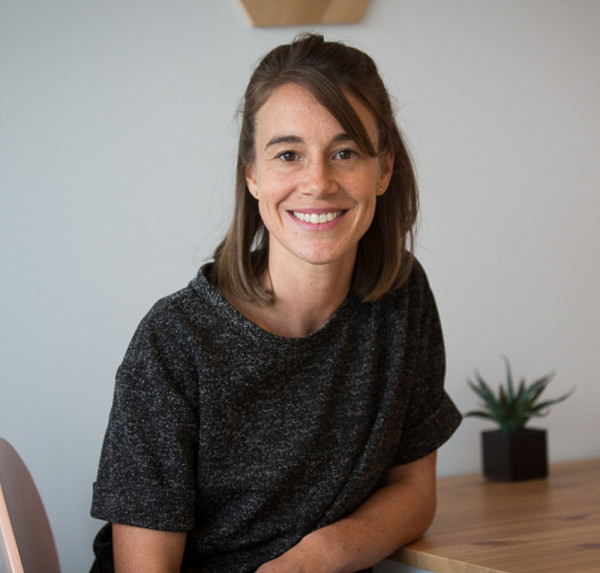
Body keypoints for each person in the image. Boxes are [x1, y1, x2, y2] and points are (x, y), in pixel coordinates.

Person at [90, 33, 462, 573]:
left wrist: (314, 558)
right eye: (288, 154)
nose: (318, 182)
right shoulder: (174, 342)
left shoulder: (402, 297)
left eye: (345, 152)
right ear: (252, 175)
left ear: (383, 170)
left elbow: (413, 489)